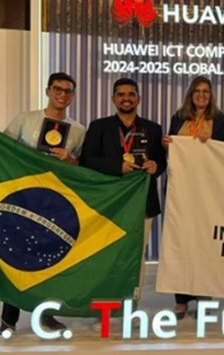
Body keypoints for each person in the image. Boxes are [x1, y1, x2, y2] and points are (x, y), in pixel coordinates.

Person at [0, 72, 85, 334]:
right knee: (16, 256)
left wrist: (70, 160)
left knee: (51, 259)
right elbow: (1, 147)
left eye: (68, 91)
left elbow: (82, 167)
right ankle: (8, 319)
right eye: (57, 89)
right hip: (22, 198)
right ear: (48, 91)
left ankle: (46, 315)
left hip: (55, 203)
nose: (62, 94)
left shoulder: (78, 130)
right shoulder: (25, 119)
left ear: (72, 96)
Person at [79, 77, 166, 305]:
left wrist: (156, 166)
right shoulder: (99, 127)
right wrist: (117, 166)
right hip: (109, 203)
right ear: (113, 99)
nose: (126, 98)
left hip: (142, 203)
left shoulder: (153, 128)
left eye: (131, 94)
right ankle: (105, 306)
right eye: (121, 94)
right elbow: (87, 160)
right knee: (106, 255)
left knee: (135, 257)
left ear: (138, 99)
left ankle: (133, 304)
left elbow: (162, 162)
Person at [161, 75, 224, 319]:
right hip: (180, 192)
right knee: (180, 243)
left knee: (206, 243)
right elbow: (172, 151)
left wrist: (210, 144)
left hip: (208, 193)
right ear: (190, 95)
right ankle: (181, 299)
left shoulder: (222, 122)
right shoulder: (178, 118)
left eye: (206, 91)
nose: (201, 95)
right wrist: (167, 144)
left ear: (211, 95)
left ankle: (205, 297)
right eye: (197, 91)